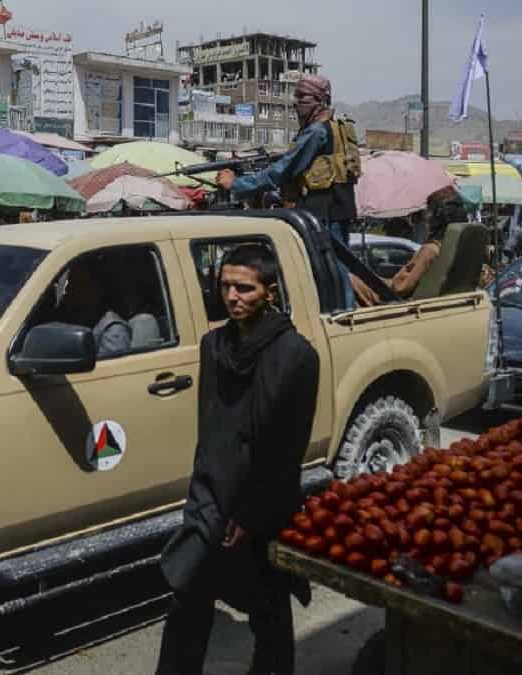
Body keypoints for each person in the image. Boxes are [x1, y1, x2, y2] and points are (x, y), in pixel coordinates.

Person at [156, 245, 319, 675]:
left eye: (244, 288)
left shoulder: (296, 356)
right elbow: (211, 429)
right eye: (226, 286)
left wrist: (251, 512)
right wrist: (205, 494)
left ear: (269, 291)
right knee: (188, 596)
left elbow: (286, 446)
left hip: (262, 499)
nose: (232, 296)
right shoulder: (214, 346)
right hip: (212, 493)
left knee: (267, 602)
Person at [218, 74, 361, 308]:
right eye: (296, 96)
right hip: (335, 209)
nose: (296, 102)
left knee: (330, 270)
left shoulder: (317, 132)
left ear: (320, 100)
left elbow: (281, 172)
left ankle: (341, 317)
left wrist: (236, 184)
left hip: (324, 212)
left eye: (302, 96)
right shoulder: (332, 127)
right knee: (333, 269)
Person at [54, 259, 131, 357]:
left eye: (78, 285)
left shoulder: (112, 330)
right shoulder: (77, 318)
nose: (68, 291)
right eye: (70, 283)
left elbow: (111, 369)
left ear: (95, 288)